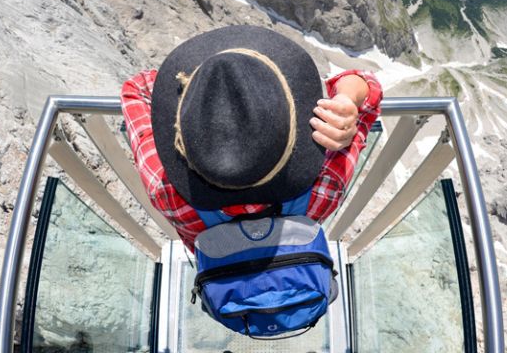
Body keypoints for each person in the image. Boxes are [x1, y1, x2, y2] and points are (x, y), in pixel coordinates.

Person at [120, 25, 383, 251]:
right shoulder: (324, 185)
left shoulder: (167, 193)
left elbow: (137, 88)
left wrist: (199, 95)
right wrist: (346, 100)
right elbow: (368, 86)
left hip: (224, 277)